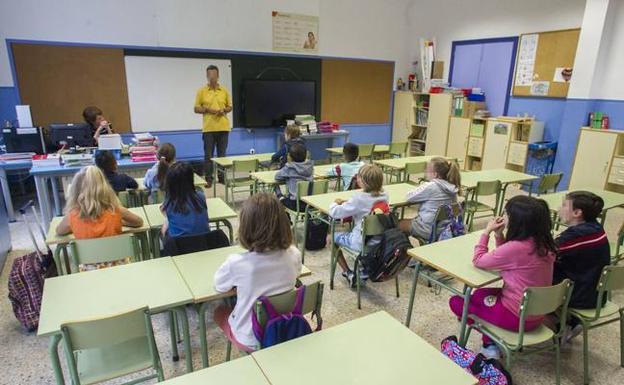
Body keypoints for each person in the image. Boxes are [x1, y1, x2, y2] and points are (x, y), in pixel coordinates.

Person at [449, 196, 557, 360]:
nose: (502, 216)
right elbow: (508, 259)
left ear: (517, 221)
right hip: (535, 314)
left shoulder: (517, 247)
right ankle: (490, 335)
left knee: (457, 302)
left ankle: (490, 344)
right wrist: (499, 235)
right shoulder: (543, 243)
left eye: (506, 213)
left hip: (516, 318)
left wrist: (486, 232)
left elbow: (479, 260)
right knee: (479, 294)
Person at [213, 193, 302, 351]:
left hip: (252, 338)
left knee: (219, 311)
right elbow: (296, 275)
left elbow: (219, 286)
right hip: (284, 329)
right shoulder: (294, 254)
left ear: (245, 227)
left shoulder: (236, 263)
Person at [55, 166, 144, 270]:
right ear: (105, 187)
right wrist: (121, 221)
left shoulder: (73, 215)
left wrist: (74, 226)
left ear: (76, 189)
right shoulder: (115, 210)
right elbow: (139, 222)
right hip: (119, 267)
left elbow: (59, 231)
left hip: (89, 271)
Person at [553, 191, 610, 342]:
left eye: (565, 205)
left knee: (534, 273)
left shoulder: (575, 235)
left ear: (577, 213)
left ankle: (561, 325)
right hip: (596, 293)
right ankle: (570, 321)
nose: (559, 208)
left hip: (581, 296)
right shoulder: (596, 228)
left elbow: (544, 253)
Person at [329, 164, 388, 286]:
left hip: (361, 243)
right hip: (380, 242)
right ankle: (366, 267)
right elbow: (366, 206)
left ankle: (348, 272)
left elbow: (335, 213)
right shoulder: (385, 195)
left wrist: (334, 203)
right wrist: (349, 203)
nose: (357, 178)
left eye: (359, 177)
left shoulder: (358, 198)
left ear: (364, 182)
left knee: (330, 238)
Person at [399, 158, 461, 242]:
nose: (425, 171)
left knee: (398, 223)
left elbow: (409, 197)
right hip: (446, 228)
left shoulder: (431, 186)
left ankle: (403, 249)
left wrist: (423, 186)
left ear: (435, 174)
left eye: (427, 170)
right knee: (413, 220)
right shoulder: (452, 187)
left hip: (429, 229)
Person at [194, 65, 233, 187]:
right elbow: (196, 108)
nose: (212, 77)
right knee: (208, 155)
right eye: (210, 75)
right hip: (209, 129)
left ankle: (221, 178)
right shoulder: (201, 91)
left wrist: (224, 110)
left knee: (222, 155)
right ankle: (209, 179)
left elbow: (230, 106)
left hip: (223, 128)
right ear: (207, 76)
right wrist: (207, 110)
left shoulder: (224, 91)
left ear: (218, 76)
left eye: (214, 75)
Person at [161, 162, 210, 239]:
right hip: (204, 243)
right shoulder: (201, 197)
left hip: (178, 247)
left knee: (165, 226)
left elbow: (164, 212)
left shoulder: (169, 202)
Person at [274, 143, 314, 211]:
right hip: (310, 203)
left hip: (295, 204)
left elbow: (277, 177)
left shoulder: (289, 167)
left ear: (290, 157)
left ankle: (280, 196)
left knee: (275, 184)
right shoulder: (310, 166)